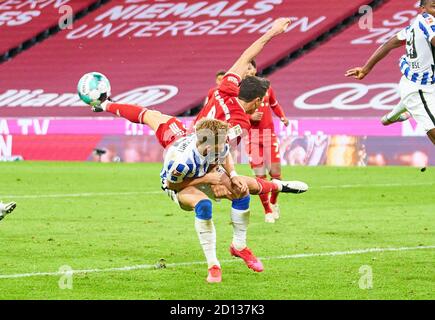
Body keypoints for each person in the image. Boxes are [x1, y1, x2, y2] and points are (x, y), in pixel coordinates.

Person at [346, 0, 435, 145]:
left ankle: (395, 115)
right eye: (434, 6)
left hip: (425, 83)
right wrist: (366, 69)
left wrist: (366, 68)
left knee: (390, 120)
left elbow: (390, 43)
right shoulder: (427, 20)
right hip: (419, 89)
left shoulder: (414, 26)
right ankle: (409, 108)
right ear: (422, 9)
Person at [244, 60, 290, 223]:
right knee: (260, 176)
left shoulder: (267, 88)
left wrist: (282, 117)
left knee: (276, 174)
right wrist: (249, 117)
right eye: (245, 68)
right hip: (253, 138)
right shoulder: (239, 91)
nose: (248, 71)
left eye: (250, 67)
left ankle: (274, 202)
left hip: (269, 136)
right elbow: (235, 113)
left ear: (255, 69)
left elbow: (275, 105)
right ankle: (267, 211)